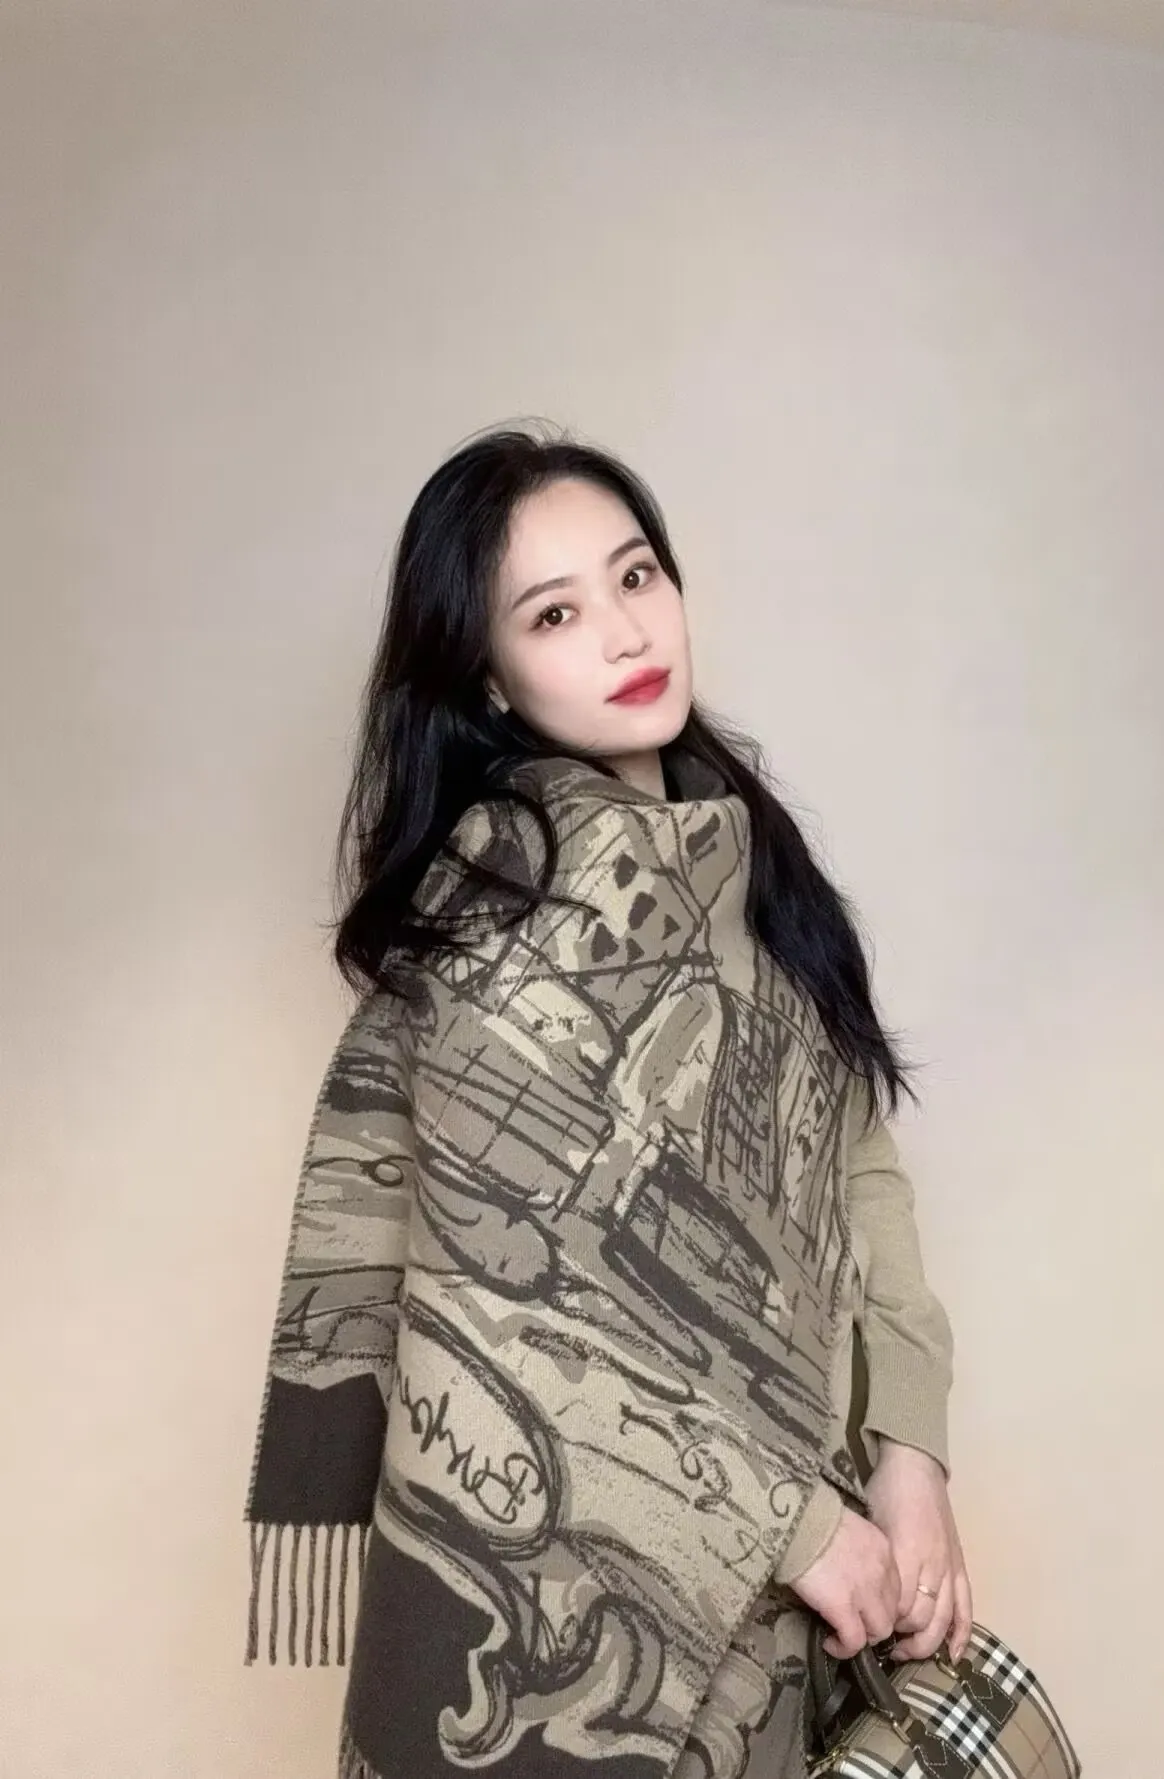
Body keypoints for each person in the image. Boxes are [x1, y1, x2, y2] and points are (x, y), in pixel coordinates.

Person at [245, 423, 971, 1779]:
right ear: (490, 673)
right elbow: (507, 1317)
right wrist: (808, 1529)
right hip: (600, 1590)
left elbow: (858, 1163)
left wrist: (910, 1453)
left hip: (793, 1581)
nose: (626, 630)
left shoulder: (750, 864)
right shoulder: (491, 921)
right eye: (556, 613)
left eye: (637, 577)